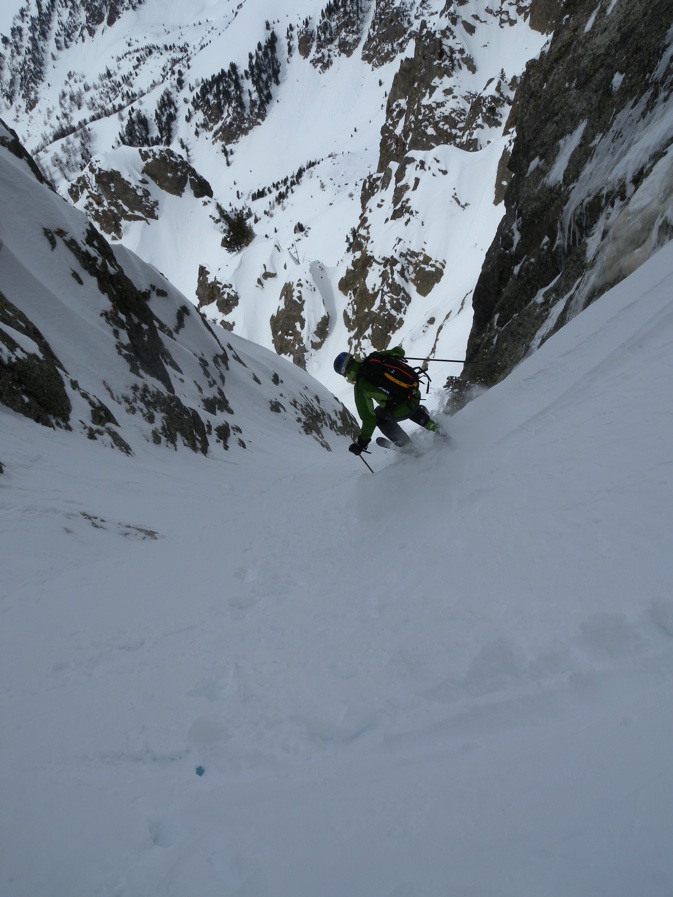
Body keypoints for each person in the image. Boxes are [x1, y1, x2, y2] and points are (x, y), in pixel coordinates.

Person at [334, 346, 447, 455]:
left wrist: (361, 443)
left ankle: (410, 448)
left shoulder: (360, 386)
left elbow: (369, 419)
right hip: (414, 395)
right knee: (401, 398)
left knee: (380, 414)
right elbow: (399, 351)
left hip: (402, 408)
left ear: (345, 372)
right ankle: (434, 427)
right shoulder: (375, 357)